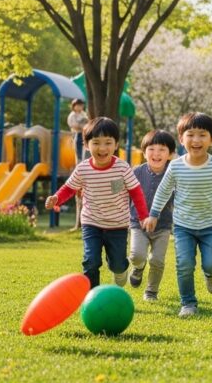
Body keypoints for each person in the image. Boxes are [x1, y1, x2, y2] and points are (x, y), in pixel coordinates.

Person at [143, 112, 212, 318]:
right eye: (190, 134)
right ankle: (188, 303)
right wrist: (154, 214)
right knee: (184, 264)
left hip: (211, 225)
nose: (196, 140)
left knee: (211, 263)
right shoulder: (175, 166)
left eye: (202, 135)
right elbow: (164, 191)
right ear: (181, 139)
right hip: (183, 226)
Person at [45, 117, 148, 288]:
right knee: (90, 261)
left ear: (116, 145)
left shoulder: (122, 168)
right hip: (91, 222)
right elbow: (69, 188)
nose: (102, 148)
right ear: (86, 144)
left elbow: (136, 193)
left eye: (108, 143)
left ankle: (121, 269)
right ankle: (92, 295)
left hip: (117, 224)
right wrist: (57, 198)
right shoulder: (83, 168)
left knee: (117, 264)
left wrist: (143, 216)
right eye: (96, 143)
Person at [127, 130, 176, 301]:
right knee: (136, 255)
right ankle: (138, 268)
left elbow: (181, 199)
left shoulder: (174, 174)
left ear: (170, 154)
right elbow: (123, 195)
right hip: (137, 224)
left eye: (162, 150)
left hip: (162, 226)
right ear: (144, 152)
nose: (156, 153)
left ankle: (151, 291)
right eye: (151, 149)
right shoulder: (135, 172)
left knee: (157, 260)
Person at [67, 98, 90, 230]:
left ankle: (79, 224)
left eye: (81, 105)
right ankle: (80, 162)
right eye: (77, 105)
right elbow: (76, 127)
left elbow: (86, 124)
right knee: (79, 148)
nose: (79, 107)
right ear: (74, 106)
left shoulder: (84, 114)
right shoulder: (73, 116)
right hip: (77, 135)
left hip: (83, 134)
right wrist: (82, 126)